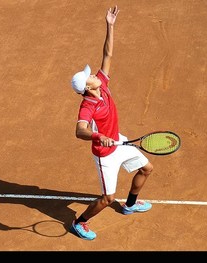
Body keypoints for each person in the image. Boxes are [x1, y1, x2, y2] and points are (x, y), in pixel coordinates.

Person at [70, 5, 154, 241]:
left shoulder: (102, 86)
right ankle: (79, 222)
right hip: (104, 154)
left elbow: (107, 55)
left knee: (146, 169)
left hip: (119, 142)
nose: (95, 74)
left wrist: (110, 25)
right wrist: (98, 137)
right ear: (87, 87)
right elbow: (80, 131)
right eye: (91, 76)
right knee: (107, 198)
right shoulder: (87, 106)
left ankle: (129, 205)